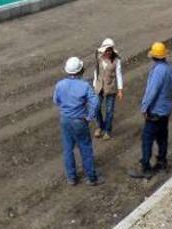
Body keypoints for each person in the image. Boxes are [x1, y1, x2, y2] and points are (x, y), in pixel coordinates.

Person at [129, 42, 172, 179]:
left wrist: (144, 107)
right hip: (165, 111)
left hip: (154, 112)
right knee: (162, 137)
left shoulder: (158, 71)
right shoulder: (171, 69)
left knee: (147, 139)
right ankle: (162, 162)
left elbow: (152, 92)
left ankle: (146, 168)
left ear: (153, 57)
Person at [53, 56, 100, 186]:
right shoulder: (84, 86)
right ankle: (91, 177)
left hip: (65, 119)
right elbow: (95, 102)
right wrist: (90, 116)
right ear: (80, 70)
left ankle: (72, 178)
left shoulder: (60, 85)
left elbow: (56, 101)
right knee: (85, 148)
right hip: (79, 120)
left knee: (68, 149)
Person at [92, 38, 124, 140]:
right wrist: (94, 85)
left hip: (111, 87)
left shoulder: (117, 61)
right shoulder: (99, 57)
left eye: (109, 50)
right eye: (106, 50)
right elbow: (96, 72)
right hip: (99, 87)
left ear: (112, 51)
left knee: (109, 111)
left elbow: (119, 75)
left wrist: (120, 90)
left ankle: (107, 131)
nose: (108, 52)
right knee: (96, 108)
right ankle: (100, 126)